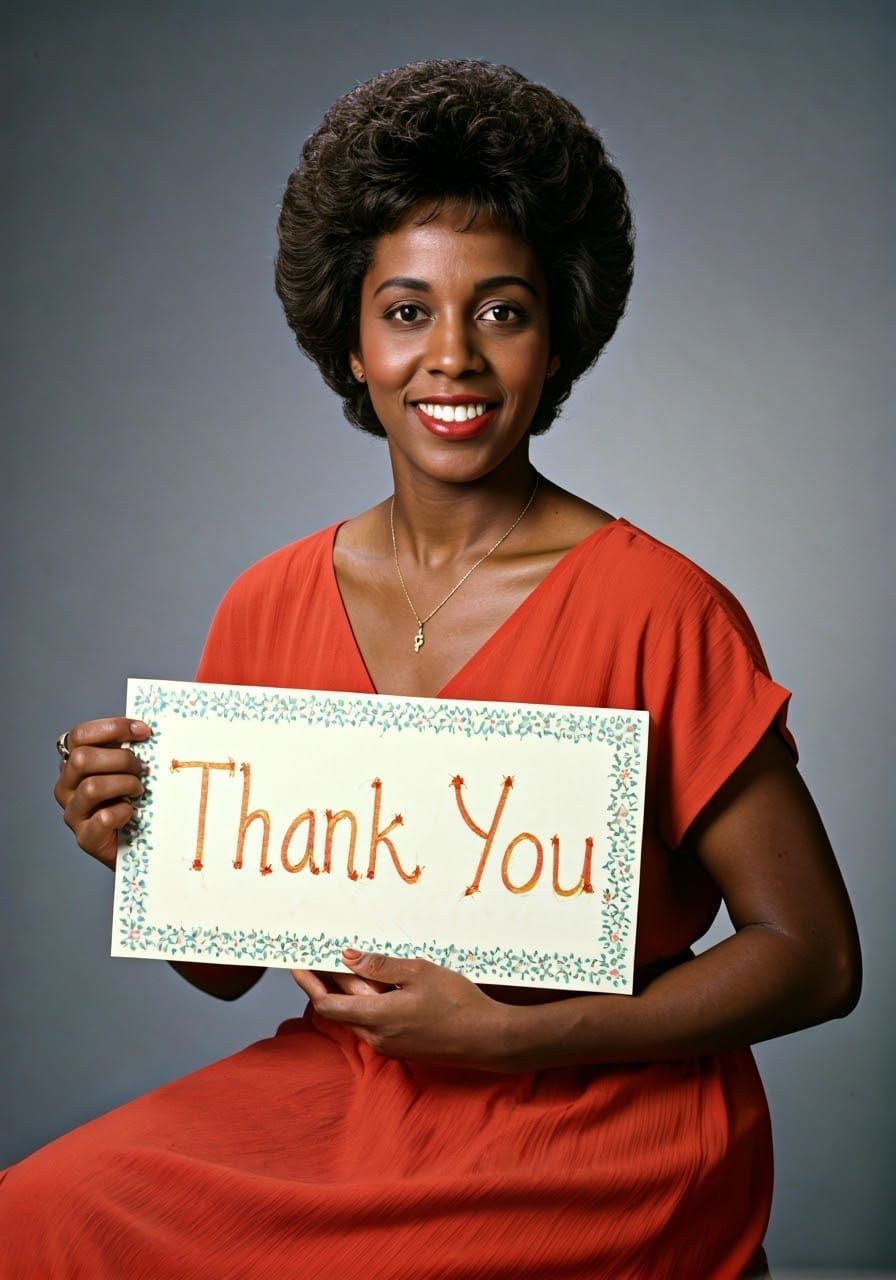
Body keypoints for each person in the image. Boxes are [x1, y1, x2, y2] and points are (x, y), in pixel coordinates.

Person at [2, 59, 860, 1279]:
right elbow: (222, 966)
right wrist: (136, 841)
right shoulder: (268, 599)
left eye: (499, 310)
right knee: (33, 1217)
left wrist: (511, 1040)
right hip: (350, 1094)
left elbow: (816, 956)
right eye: (406, 310)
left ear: (554, 335)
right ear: (350, 342)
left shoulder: (660, 607)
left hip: (602, 1124)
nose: (450, 355)